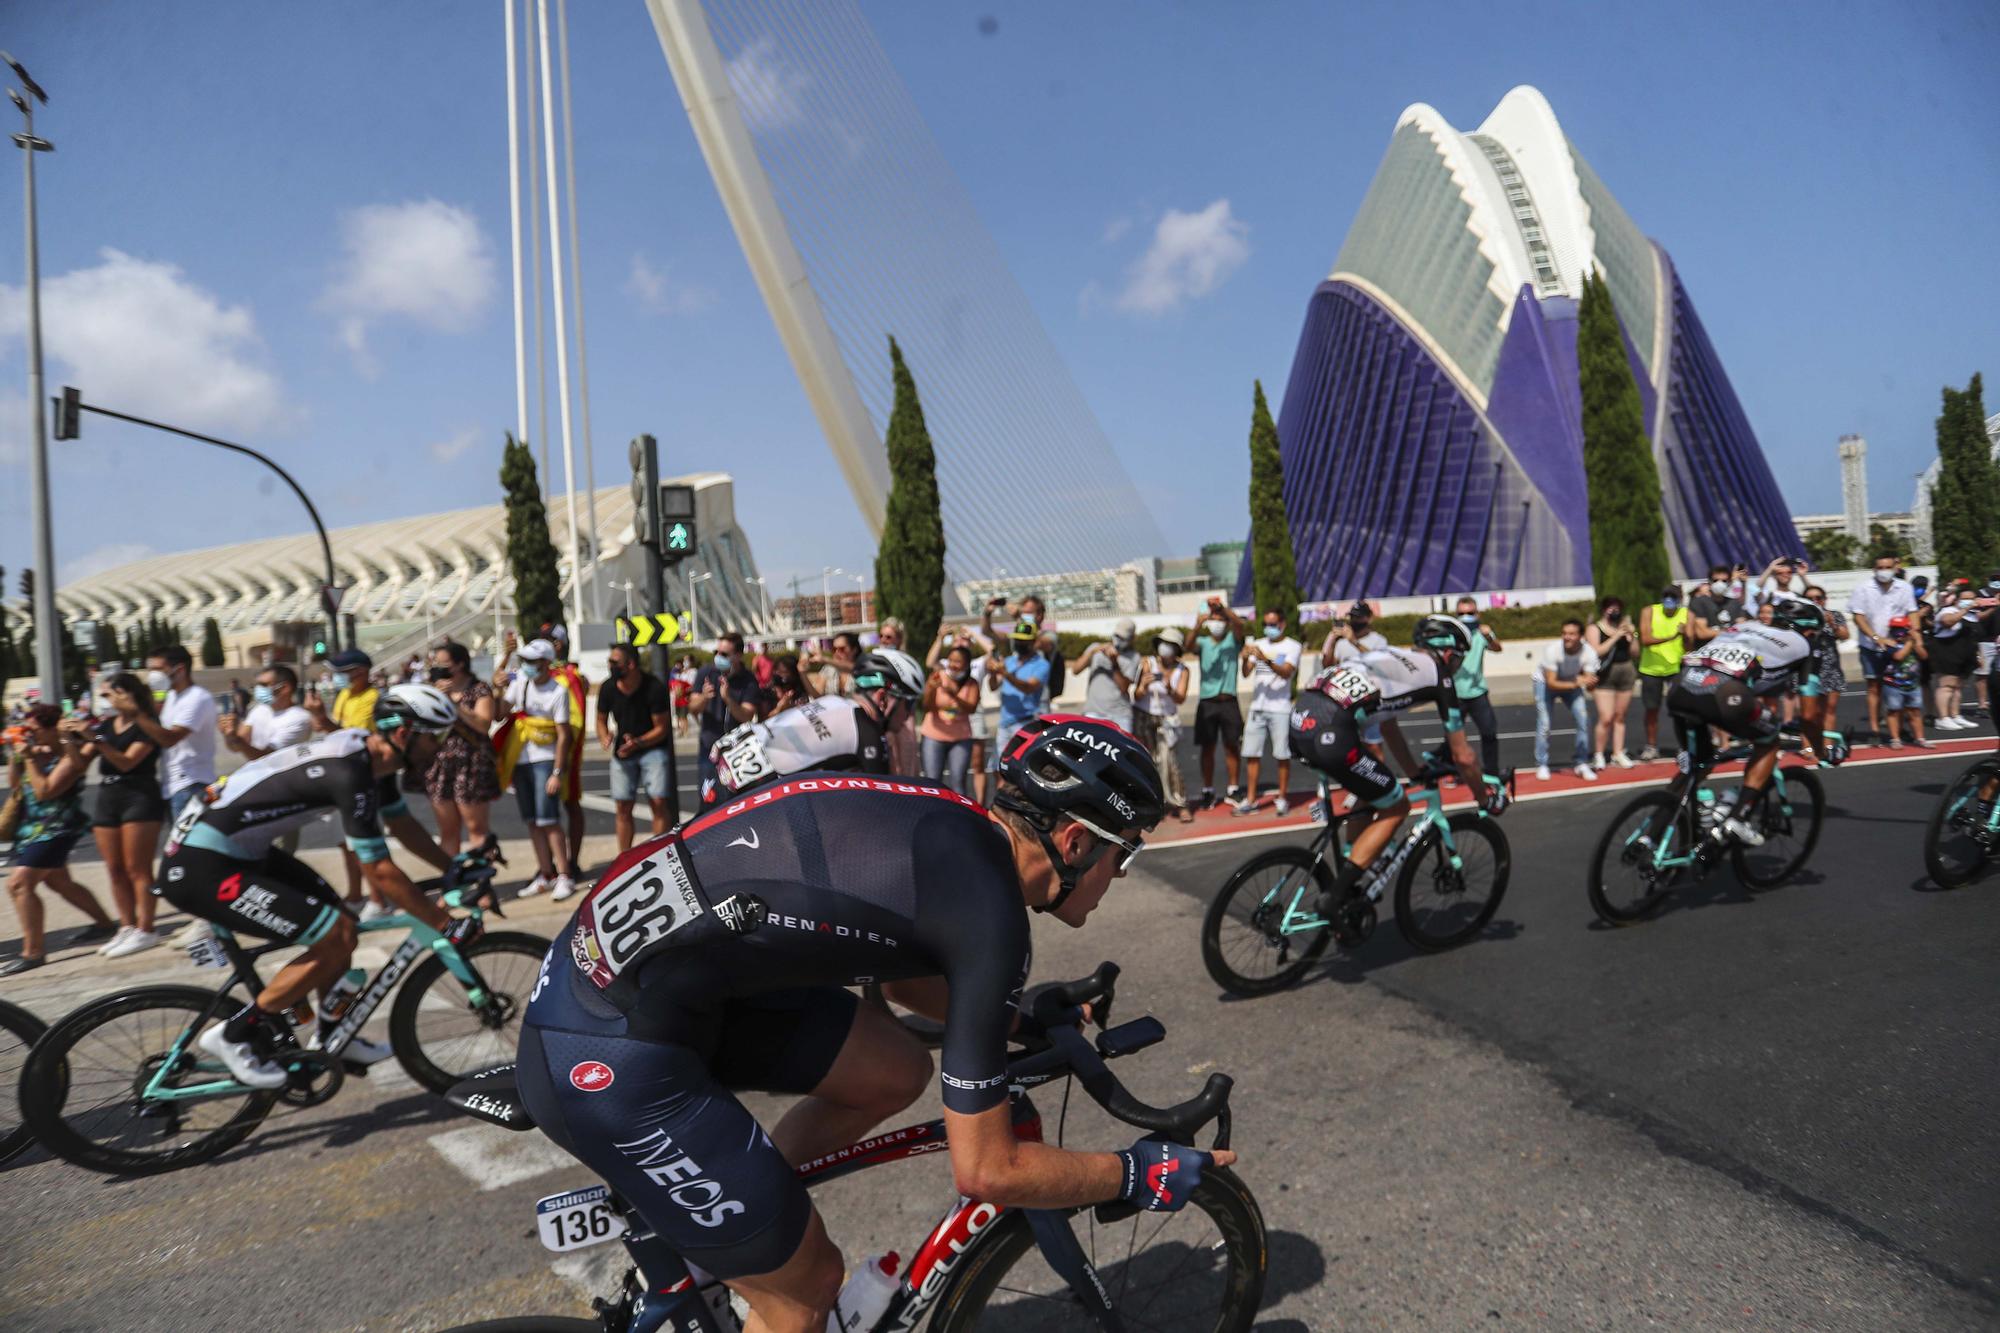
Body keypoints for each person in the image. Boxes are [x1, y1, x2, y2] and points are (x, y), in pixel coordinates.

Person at [513, 713, 1219, 1333]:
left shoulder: (953, 824)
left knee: (894, 1068)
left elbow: (901, 959)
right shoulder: (990, 915)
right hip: (606, 1047)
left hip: (626, 985)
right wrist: (1133, 1172)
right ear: (1073, 839)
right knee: (807, 1288)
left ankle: (732, 1227)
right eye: (1123, 851)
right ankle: (758, 1250)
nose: (1120, 873)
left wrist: (1017, 1014)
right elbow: (987, 1168)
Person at [155, 686, 474, 1086]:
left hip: (235, 851)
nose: (440, 748)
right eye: (436, 737)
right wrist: (443, 922)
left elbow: (404, 828)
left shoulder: (372, 759)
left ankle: (333, 1033)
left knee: (340, 925)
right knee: (335, 934)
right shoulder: (350, 772)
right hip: (202, 863)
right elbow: (378, 869)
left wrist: (454, 868)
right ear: (404, 733)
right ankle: (235, 1035)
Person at [1289, 617, 1500, 943]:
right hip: (1332, 732)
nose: (1457, 666)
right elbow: (1464, 757)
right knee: (1397, 805)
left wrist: (1414, 772)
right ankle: (1335, 897)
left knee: (1372, 790)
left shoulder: (1395, 658)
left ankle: (1349, 874)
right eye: (1458, 657)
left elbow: (1387, 726)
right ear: (1447, 653)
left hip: (1302, 720)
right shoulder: (1440, 676)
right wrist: (1486, 800)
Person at [1667, 598, 1835, 845]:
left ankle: (1653, 829)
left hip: (1680, 686)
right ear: (1810, 631)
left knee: (1698, 764)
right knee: (1769, 742)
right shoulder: (1806, 645)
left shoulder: (1745, 626)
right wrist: (1820, 750)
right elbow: (1809, 715)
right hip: (1725, 694)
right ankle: (1738, 817)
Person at [705, 649, 920, 805]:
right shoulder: (868, 736)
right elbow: (884, 806)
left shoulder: (833, 701)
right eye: (908, 704)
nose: (909, 715)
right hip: (747, 791)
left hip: (725, 761)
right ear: (883, 698)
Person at [2, 705, 117, 975]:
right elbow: (17, 783)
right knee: (59, 882)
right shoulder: (37, 751)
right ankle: (104, 924)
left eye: (36, 729)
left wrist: (29, 757)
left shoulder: (72, 754)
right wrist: (16, 755)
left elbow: (45, 791)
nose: (32, 734)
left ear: (54, 728)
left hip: (56, 828)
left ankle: (33, 952)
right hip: (31, 828)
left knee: (19, 884)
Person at [83, 672, 169, 958]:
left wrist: (96, 740)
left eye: (110, 693)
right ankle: (127, 925)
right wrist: (70, 740)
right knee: (114, 869)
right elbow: (80, 762)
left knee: (138, 869)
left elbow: (127, 763)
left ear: (128, 694)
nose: (106, 699)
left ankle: (147, 928)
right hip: (108, 796)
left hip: (139, 795)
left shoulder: (146, 725)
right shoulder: (107, 725)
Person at [497, 637, 582, 900]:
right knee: (533, 822)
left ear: (545, 663)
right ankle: (546, 873)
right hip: (521, 759)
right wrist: (498, 688)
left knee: (549, 821)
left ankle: (564, 874)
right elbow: (499, 713)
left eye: (532, 662)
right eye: (525, 661)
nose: (527, 666)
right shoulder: (520, 683)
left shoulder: (558, 691)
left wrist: (557, 772)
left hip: (544, 760)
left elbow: (564, 735)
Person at [303, 648, 382, 914]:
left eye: (342, 673)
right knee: (345, 842)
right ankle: (356, 893)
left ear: (360, 672)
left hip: (362, 776)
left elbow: (354, 737)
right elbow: (336, 730)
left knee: (362, 841)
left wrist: (324, 720)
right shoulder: (346, 695)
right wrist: (321, 720)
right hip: (343, 775)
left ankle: (378, 898)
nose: (336, 678)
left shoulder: (372, 698)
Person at [423, 641, 501, 858]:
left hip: (471, 765)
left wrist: (454, 704)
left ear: (460, 664)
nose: (439, 668)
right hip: (440, 766)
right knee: (448, 831)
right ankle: (451, 885)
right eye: (436, 663)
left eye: (444, 663)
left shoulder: (479, 690)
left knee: (476, 829)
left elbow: (483, 724)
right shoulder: (433, 691)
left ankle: (482, 884)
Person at [597, 644, 674, 854]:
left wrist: (639, 742)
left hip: (651, 748)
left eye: (614, 662)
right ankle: (625, 856)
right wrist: (604, 736)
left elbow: (662, 728)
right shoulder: (608, 687)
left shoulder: (653, 687)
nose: (610, 666)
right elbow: (601, 719)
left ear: (630, 664)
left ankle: (660, 851)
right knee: (623, 806)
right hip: (622, 752)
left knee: (658, 801)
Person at [133, 645, 219, 824]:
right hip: (172, 784)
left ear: (179, 670)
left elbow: (170, 738)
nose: (152, 675)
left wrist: (135, 714)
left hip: (191, 783)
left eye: (157, 669)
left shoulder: (197, 698)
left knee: (188, 847)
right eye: (150, 670)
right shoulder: (171, 696)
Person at [1236, 609, 1301, 815]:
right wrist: (1245, 658)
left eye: (1273, 624)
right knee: (1252, 753)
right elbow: (1246, 674)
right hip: (1258, 706)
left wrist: (1264, 659)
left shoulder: (1293, 646)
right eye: (1266, 624)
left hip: (1280, 708)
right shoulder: (1259, 643)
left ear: (1283, 624)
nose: (1269, 628)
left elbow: (1286, 673)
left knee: (1282, 754)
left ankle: (1282, 797)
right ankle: (1252, 798)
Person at [1847, 555, 1917, 744]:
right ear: (1874, 569)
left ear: (1895, 568)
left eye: (1887, 567)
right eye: (1880, 567)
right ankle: (1875, 730)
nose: (1884, 570)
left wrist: (1915, 634)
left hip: (1898, 646)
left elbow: (1912, 612)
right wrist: (1877, 638)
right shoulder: (1863, 588)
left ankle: (1899, 729)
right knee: (1874, 687)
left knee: (1900, 686)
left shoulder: (1904, 587)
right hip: (1871, 646)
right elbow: (1858, 617)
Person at [1133, 626, 1194, 822]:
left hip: (1167, 719)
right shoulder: (1146, 663)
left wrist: (1169, 688)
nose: (1165, 648)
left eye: (1170, 645)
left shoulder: (1182, 670)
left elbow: (1180, 698)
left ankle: (1180, 802)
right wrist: (1144, 685)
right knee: (1148, 762)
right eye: (1163, 643)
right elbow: (1136, 694)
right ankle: (1154, 805)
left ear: (1177, 648)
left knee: (1170, 762)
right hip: (1145, 716)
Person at [1192, 595, 1246, 810]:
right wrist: (1199, 623)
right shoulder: (1203, 642)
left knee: (1232, 745)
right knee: (1208, 747)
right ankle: (1208, 790)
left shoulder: (1232, 640)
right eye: (1213, 618)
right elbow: (1188, 645)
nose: (1216, 622)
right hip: (1207, 702)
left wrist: (1224, 609)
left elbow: (1240, 625)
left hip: (1229, 701)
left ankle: (1233, 788)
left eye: (1219, 618)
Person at [693, 634, 766, 793]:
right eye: (716, 652)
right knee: (709, 797)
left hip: (738, 751)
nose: (718, 657)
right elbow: (693, 708)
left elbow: (746, 715)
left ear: (738, 655)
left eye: (724, 654)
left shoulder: (748, 680)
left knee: (738, 798)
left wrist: (728, 698)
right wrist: (704, 697)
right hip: (710, 748)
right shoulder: (706, 672)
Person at [1534, 620, 1600, 781]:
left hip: (1571, 682)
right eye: (1564, 633)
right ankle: (1542, 764)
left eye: (1571, 634)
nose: (1567, 637)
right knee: (1545, 723)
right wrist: (1577, 682)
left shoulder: (1589, 653)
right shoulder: (1553, 650)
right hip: (1545, 683)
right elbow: (1551, 682)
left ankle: (1581, 762)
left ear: (1581, 636)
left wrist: (1591, 684)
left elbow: (1589, 686)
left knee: (1584, 719)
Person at [986, 620, 1052, 774]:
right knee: (999, 769)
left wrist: (1005, 674)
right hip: (1004, 723)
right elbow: (993, 686)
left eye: (1024, 641)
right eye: (1017, 640)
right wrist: (993, 673)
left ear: (1034, 642)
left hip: (1025, 723)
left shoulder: (1042, 664)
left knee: (1022, 769)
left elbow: (1029, 687)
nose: (1020, 643)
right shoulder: (1008, 661)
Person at [1450, 597, 1504, 778]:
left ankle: (1492, 773)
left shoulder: (1482, 633)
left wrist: (1488, 635)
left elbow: (1497, 648)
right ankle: (1456, 772)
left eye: (1470, 613)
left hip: (1477, 691)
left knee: (1489, 733)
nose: (1466, 616)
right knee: (1453, 738)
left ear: (1477, 614)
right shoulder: (1450, 633)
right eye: (1461, 613)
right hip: (1454, 693)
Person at [1636, 585, 1690, 761]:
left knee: (1680, 710)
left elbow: (1689, 645)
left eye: (1673, 597)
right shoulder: (1649, 611)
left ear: (1679, 599)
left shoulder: (1686, 614)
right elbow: (1645, 639)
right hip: (1651, 668)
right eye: (1666, 596)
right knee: (1652, 709)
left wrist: (1686, 635)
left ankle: (1683, 747)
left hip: (1675, 668)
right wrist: (1673, 636)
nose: (1669, 600)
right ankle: (1651, 746)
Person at [919, 644, 981, 796]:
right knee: (932, 782)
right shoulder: (937, 676)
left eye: (957, 661)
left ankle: (959, 816)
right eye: (950, 660)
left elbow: (971, 708)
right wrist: (932, 689)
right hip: (933, 736)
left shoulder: (972, 683)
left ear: (967, 665)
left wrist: (952, 694)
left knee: (958, 782)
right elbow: (926, 707)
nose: (952, 665)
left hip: (960, 738)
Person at [1585, 595, 1639, 769]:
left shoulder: (1624, 628)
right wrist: (1616, 636)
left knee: (1620, 716)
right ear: (1603, 609)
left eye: (1617, 608)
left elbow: (1635, 653)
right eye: (1610, 607)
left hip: (1625, 671)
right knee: (1606, 717)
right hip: (1606, 675)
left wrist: (1632, 634)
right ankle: (1599, 754)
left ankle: (1618, 752)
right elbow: (1597, 651)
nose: (1614, 611)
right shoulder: (1595, 628)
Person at [1074, 618, 1140, 731]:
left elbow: (1124, 687)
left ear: (1132, 639)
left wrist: (1114, 663)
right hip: (1093, 712)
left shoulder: (1133, 657)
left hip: (1120, 714)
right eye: (1117, 636)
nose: (1119, 640)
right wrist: (1092, 652)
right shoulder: (1096, 648)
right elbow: (1076, 670)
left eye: (1123, 638)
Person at [1803, 585, 1849, 747]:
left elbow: (1845, 635)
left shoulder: (1834, 615)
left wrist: (1832, 624)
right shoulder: (1799, 617)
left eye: (1818, 598)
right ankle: (1807, 746)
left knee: (1829, 709)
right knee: (1809, 711)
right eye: (1810, 599)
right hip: (1807, 668)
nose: (1815, 601)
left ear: (1824, 600)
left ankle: (1827, 744)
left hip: (1831, 668)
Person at [1928, 593, 1978, 730]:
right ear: (1957, 600)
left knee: (1957, 686)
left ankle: (1955, 715)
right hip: (1946, 651)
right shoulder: (1948, 611)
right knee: (1946, 686)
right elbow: (1948, 622)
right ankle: (1942, 718)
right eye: (1965, 599)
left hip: (1963, 654)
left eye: (1971, 598)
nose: (1969, 601)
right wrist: (1966, 609)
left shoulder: (1972, 615)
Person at [1880, 616, 1928, 749]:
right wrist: (1909, 643)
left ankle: (1920, 738)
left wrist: (1916, 640)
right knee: (1893, 711)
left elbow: (1924, 656)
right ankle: (1895, 739)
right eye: (1896, 629)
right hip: (1893, 684)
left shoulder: (1913, 643)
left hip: (1912, 684)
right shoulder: (1888, 643)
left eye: (1902, 629)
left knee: (1915, 711)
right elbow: (1898, 656)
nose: (1899, 633)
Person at [1689, 565, 1749, 644]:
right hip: (1707, 651)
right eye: (1715, 580)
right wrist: (1729, 632)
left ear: (1729, 583)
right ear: (1709, 582)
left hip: (1730, 650)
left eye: (1724, 581)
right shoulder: (1699, 602)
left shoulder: (1735, 603)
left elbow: (1741, 628)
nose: (1719, 584)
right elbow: (1702, 633)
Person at [1323, 600, 1389, 664]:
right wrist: (1333, 643)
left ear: (1369, 618)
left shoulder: (1379, 640)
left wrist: (1354, 642)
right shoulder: (1342, 641)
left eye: (1358, 617)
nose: (1354, 620)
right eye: (1352, 616)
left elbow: (1379, 664)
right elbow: (1328, 666)